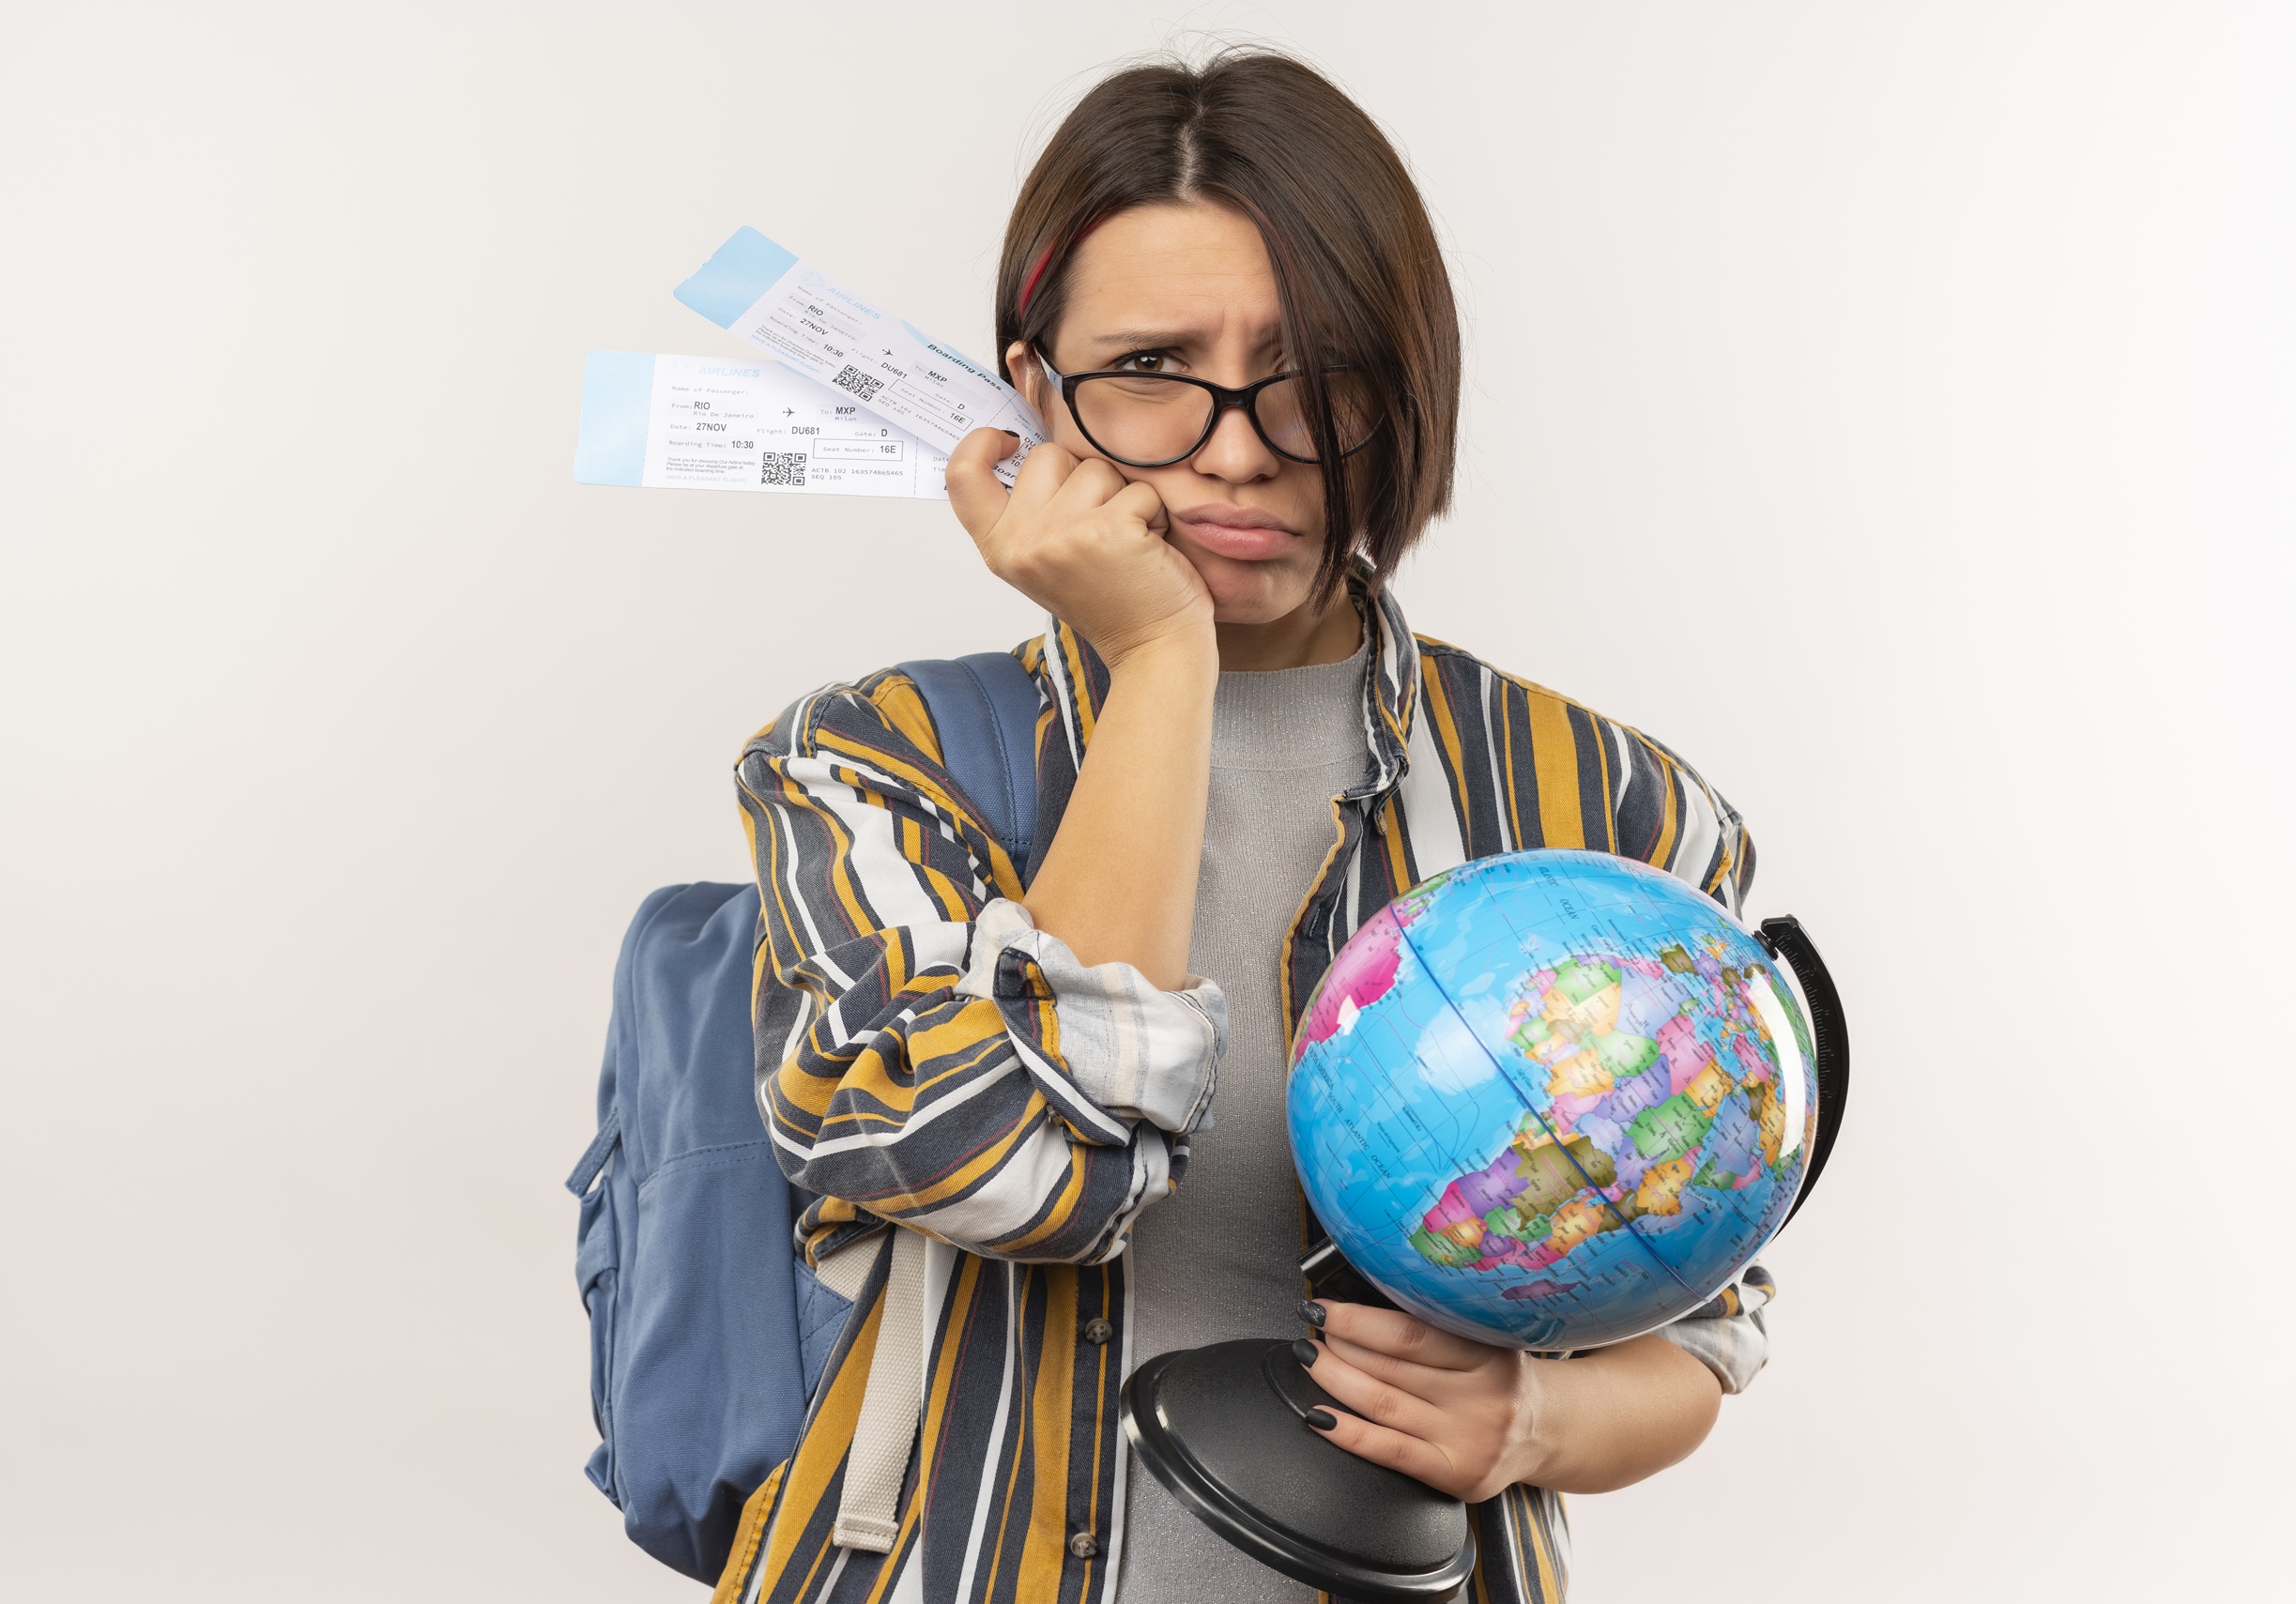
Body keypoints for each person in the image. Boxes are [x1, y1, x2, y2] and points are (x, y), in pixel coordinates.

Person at [729, 49, 1772, 1604]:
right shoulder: (875, 764)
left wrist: (1531, 1419)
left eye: (1316, 368)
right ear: (1036, 394)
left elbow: (1703, 1315)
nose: (1239, 444)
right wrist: (1162, 659)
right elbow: (1018, 1170)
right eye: (1152, 363)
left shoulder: (1606, 806)